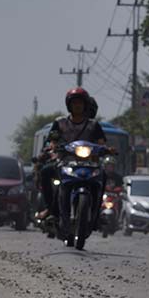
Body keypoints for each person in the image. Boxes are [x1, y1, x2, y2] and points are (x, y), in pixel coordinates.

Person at [37, 87, 106, 220]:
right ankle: (50, 209)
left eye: (80, 103)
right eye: (74, 103)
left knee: (104, 176)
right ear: (69, 105)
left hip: (89, 164)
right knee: (45, 172)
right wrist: (54, 147)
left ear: (85, 105)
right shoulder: (60, 122)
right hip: (64, 162)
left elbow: (101, 142)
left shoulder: (93, 125)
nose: (77, 106)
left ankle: (97, 213)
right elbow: (53, 140)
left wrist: (106, 149)